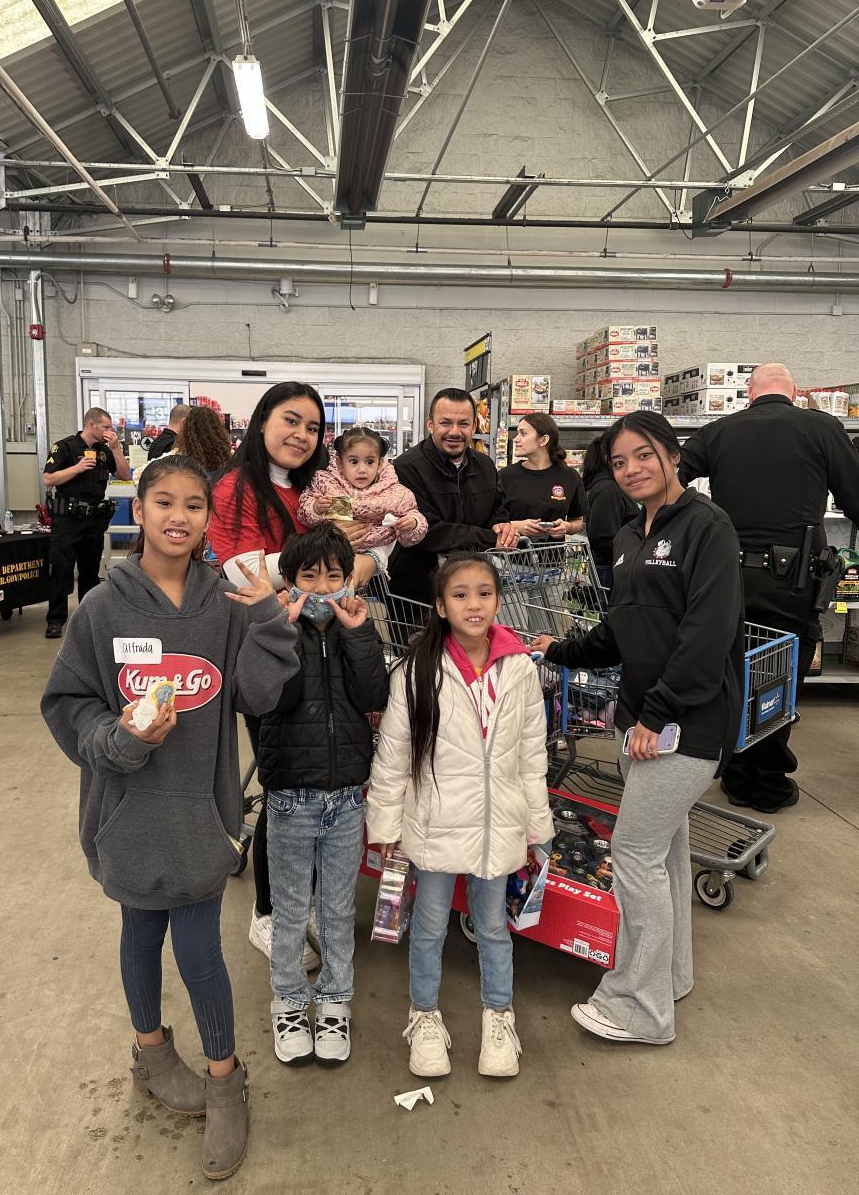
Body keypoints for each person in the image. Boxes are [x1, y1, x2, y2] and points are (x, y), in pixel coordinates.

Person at [40, 454, 302, 1182]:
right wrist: (119, 739)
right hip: (124, 813)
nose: (179, 516)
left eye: (194, 504)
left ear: (207, 518)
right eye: (164, 502)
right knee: (138, 933)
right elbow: (68, 704)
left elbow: (257, 695)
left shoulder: (227, 604)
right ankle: (150, 1053)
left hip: (200, 817)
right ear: (139, 510)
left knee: (198, 949)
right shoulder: (102, 607)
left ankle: (225, 1081)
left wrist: (270, 620)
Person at [533, 411, 744, 1047]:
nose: (631, 470)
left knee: (633, 856)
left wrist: (658, 713)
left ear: (674, 455)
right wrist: (559, 649)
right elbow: (624, 628)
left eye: (643, 455)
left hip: (684, 727)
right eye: (619, 462)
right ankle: (670, 976)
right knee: (666, 855)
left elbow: (707, 635)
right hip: (638, 725)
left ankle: (637, 1008)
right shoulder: (628, 534)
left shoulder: (707, 526)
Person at [207, 383, 384, 969]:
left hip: (327, 649)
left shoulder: (318, 489)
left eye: (312, 427)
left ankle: (301, 901)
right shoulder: (235, 488)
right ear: (262, 422)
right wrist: (326, 566)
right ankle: (267, 913)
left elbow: (369, 549)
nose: (301, 435)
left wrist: (360, 559)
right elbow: (243, 575)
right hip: (266, 650)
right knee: (283, 782)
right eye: (290, 420)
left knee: (317, 780)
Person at [367, 553, 554, 1080]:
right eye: (460, 594)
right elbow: (393, 755)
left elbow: (531, 754)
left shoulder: (519, 668)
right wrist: (386, 826)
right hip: (435, 825)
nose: (474, 604)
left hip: (499, 828)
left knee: (493, 926)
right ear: (440, 606)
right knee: (428, 927)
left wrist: (536, 825)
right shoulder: (416, 670)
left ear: (498, 600)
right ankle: (424, 1016)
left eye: (484, 593)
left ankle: (499, 1017)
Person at [678, 363, 859, 812]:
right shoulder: (822, 428)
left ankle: (734, 769)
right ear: (795, 392)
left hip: (725, 577)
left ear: (748, 393)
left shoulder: (718, 431)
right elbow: (855, 499)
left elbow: (666, 479)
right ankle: (767, 781)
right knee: (780, 672)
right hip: (792, 581)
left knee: (731, 670)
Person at [255, 525, 389, 1067]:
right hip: (291, 794)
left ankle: (335, 1001)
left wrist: (358, 635)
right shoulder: (274, 630)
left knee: (337, 909)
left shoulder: (357, 626)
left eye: (334, 575)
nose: (323, 586)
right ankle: (288, 1002)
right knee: (290, 911)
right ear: (289, 581)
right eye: (309, 576)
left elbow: (374, 694)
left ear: (349, 580)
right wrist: (281, 631)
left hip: (348, 795)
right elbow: (274, 699)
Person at [388, 389, 517, 603]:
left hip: (471, 585)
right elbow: (429, 531)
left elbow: (497, 510)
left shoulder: (485, 466)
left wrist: (502, 527)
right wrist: (490, 539)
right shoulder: (406, 468)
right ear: (430, 424)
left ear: (474, 426)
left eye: (464, 424)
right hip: (417, 589)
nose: (455, 432)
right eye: (445, 423)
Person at [43, 407, 131, 640]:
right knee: (61, 569)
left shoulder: (104, 450)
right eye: (106, 427)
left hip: (94, 519)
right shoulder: (65, 447)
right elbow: (48, 479)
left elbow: (125, 475)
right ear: (91, 424)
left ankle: (88, 618)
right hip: (68, 520)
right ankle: (55, 620)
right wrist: (77, 468)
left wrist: (117, 449)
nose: (109, 431)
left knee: (90, 571)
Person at [296, 424, 427, 552]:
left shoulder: (396, 493)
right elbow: (304, 514)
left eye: (370, 462)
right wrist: (315, 509)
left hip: (376, 553)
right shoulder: (325, 484)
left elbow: (413, 528)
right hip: (330, 551)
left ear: (379, 464)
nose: (362, 469)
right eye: (354, 461)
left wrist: (412, 524)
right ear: (339, 463)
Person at [499, 413, 586, 541]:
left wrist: (567, 527)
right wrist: (515, 526)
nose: (516, 439)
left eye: (523, 433)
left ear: (543, 440)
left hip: (552, 553)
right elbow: (489, 521)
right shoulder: (505, 476)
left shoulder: (570, 476)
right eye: (517, 433)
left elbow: (577, 520)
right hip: (512, 552)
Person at [581, 435, 638, 590]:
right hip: (610, 567)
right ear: (608, 459)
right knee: (609, 605)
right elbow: (603, 537)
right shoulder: (608, 489)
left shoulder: (603, 486)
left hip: (609, 565)